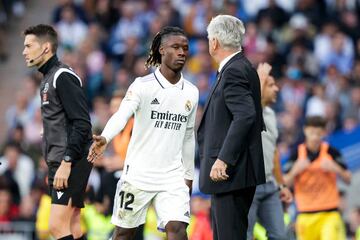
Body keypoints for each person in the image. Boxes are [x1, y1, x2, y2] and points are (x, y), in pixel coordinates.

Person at [87, 26, 199, 240]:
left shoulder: (191, 92)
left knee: (177, 229)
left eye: (185, 48)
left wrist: (188, 177)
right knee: (124, 234)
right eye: (175, 47)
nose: (182, 52)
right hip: (138, 174)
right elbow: (121, 114)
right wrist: (106, 137)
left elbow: (188, 137)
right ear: (161, 50)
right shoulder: (142, 86)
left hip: (172, 176)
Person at [197, 15, 266, 240]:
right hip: (233, 176)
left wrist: (224, 159)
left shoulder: (234, 70)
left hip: (231, 174)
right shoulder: (239, 67)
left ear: (214, 42)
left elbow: (245, 115)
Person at [22, 24, 93, 240]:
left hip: (70, 159)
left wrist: (66, 162)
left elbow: (82, 122)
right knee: (72, 223)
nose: (24, 51)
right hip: (62, 160)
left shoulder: (62, 76)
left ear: (45, 48)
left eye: (28, 46)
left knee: (56, 226)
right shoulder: (47, 78)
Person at [283, 116, 352, 240]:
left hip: (329, 214)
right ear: (305, 131)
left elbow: (348, 179)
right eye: (312, 133)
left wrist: (335, 168)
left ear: (324, 133)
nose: (315, 137)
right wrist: (295, 170)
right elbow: (284, 184)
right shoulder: (296, 154)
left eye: (319, 133)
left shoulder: (332, 152)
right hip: (305, 215)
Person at [247, 63, 293, 240]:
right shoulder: (250, 110)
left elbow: (273, 152)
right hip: (250, 184)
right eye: (271, 84)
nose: (277, 89)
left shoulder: (272, 115)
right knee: (246, 235)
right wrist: (260, 77)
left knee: (280, 236)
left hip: (270, 184)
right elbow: (252, 99)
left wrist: (281, 185)